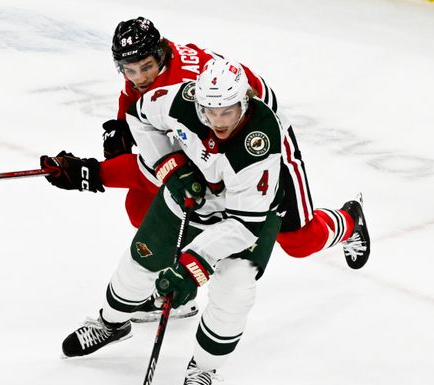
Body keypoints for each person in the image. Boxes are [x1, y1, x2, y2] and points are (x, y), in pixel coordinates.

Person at [52, 57, 294, 385]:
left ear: (244, 101)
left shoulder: (260, 139)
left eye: (228, 111)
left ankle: (204, 368)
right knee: (140, 263)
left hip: (250, 214)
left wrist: (192, 265)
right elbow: (139, 116)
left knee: (235, 289)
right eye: (211, 111)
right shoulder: (180, 100)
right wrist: (171, 167)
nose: (219, 121)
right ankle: (110, 324)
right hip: (191, 195)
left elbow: (243, 224)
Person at [41, 17, 370, 273]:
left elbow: (162, 170)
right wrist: (120, 132)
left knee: (300, 242)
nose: (139, 77)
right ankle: (174, 274)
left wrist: (94, 174)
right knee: (140, 207)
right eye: (130, 70)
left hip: (260, 144)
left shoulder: (185, 91)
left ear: (161, 56)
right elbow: (136, 105)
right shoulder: (150, 71)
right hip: (216, 135)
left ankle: (349, 220)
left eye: (146, 68)